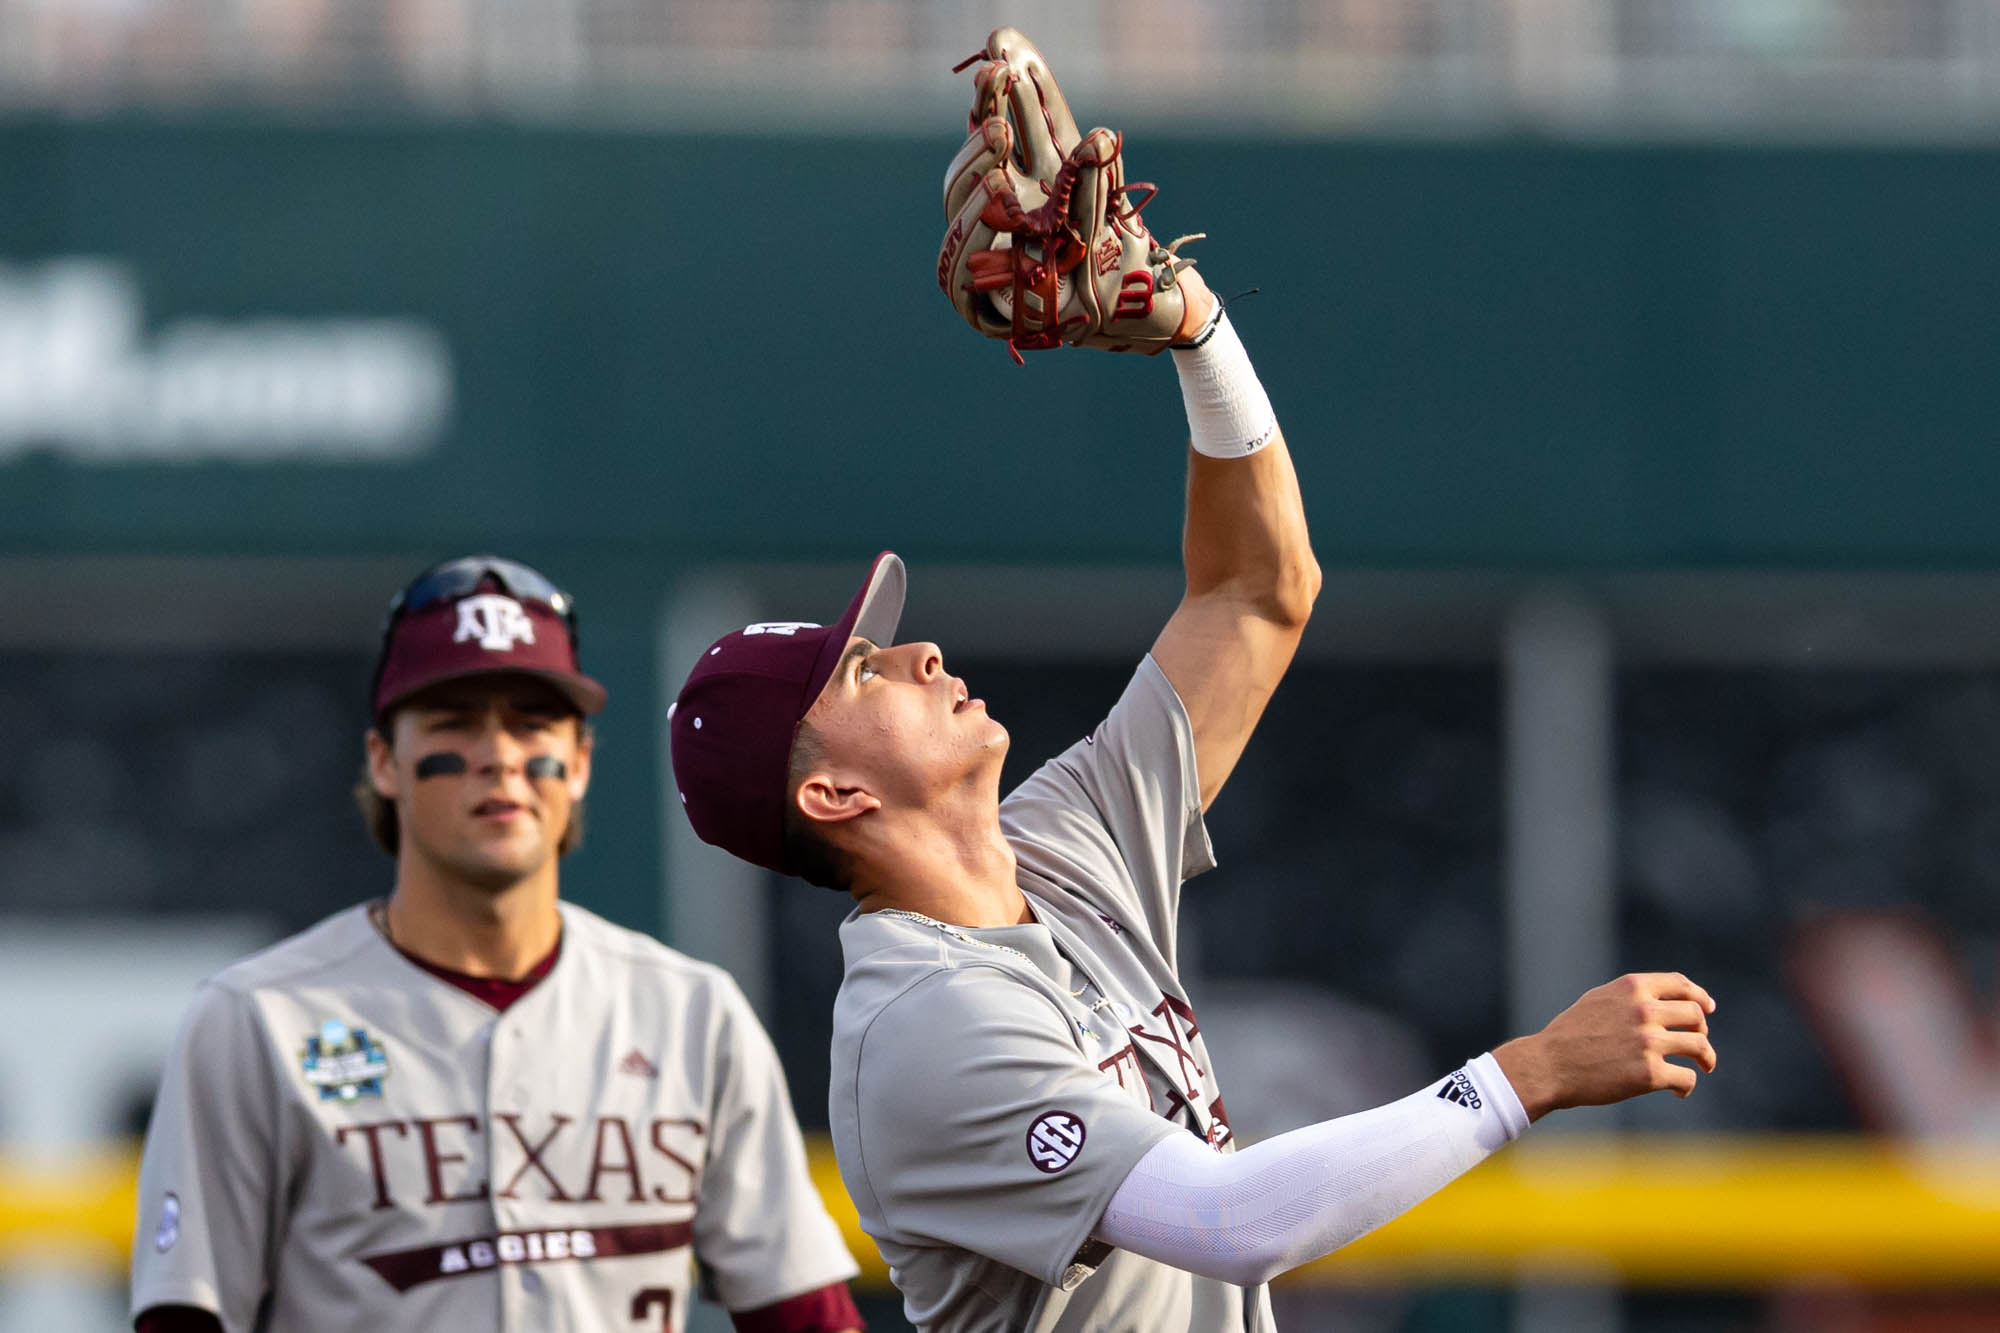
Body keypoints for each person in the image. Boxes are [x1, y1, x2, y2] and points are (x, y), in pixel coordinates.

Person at [665, 33, 1718, 1326]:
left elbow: (1258, 595)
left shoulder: (1054, 849)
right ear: (828, 793)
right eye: (866, 670)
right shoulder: (924, 1029)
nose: (923, 653)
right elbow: (1237, 1223)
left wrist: (1195, 331)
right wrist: (1527, 1074)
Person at [131, 555, 864, 1333]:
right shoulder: (258, 1020)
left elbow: (806, 1316)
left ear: (579, 761)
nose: (499, 754)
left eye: (531, 720)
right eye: (455, 719)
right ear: (384, 760)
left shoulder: (691, 1013)